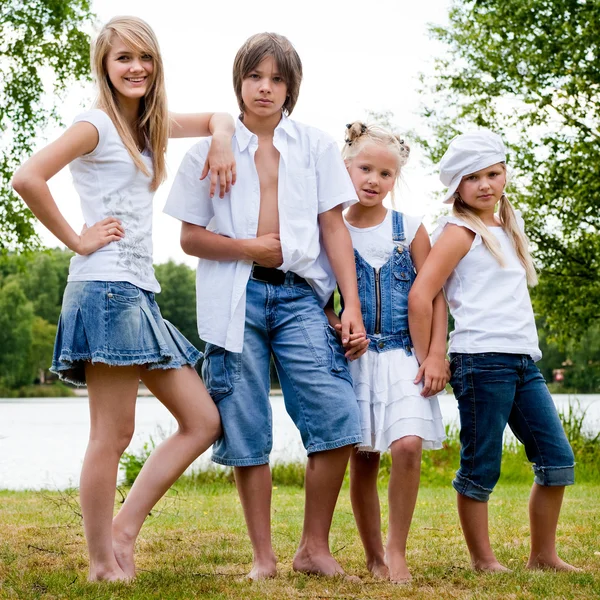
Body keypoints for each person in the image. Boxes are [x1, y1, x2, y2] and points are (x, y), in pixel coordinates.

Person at [12, 16, 237, 582]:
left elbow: (219, 116)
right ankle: (99, 564)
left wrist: (224, 143)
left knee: (202, 419)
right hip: (105, 286)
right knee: (111, 435)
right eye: (123, 59)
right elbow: (27, 176)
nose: (136, 68)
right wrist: (77, 238)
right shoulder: (95, 125)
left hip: (139, 292)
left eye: (146, 58)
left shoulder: (147, 130)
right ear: (105, 68)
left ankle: (123, 532)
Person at [164, 32, 367, 580]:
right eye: (256, 76)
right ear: (240, 81)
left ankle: (313, 548)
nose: (266, 87)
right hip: (237, 295)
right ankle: (263, 558)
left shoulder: (317, 146)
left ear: (291, 87)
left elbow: (333, 228)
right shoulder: (208, 149)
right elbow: (188, 237)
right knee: (246, 424)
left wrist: (349, 304)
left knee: (339, 417)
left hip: (302, 295)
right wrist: (247, 247)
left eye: (277, 79)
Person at [408, 130, 577, 572]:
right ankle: (484, 561)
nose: (485, 184)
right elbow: (422, 294)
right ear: (456, 189)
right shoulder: (460, 231)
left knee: (556, 461)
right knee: (481, 467)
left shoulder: (508, 227)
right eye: (473, 178)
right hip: (481, 361)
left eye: (493, 174)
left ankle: (543, 556)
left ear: (505, 175)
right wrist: (432, 355)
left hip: (523, 360)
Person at [324, 122, 447, 582]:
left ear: (396, 179)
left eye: (386, 174)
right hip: (355, 362)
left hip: (402, 357)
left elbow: (434, 296)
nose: (374, 180)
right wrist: (338, 329)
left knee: (408, 446)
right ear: (346, 167)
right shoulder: (331, 229)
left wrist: (436, 353)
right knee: (363, 458)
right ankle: (373, 555)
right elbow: (319, 299)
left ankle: (397, 550)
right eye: (365, 169)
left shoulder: (409, 229)